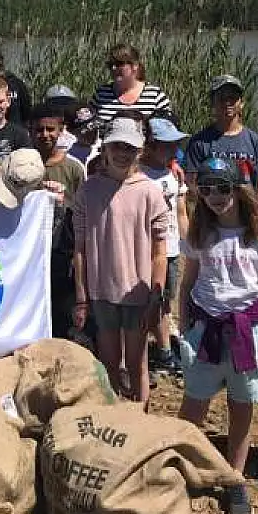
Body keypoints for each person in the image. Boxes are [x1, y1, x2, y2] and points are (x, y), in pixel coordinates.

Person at [177, 156, 258, 514]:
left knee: (241, 409)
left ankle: (234, 478)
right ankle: (183, 468)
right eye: (205, 189)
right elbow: (187, 283)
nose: (214, 196)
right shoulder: (199, 233)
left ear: (236, 189)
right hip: (206, 329)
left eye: (222, 187)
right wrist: (183, 326)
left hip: (247, 332)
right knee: (194, 405)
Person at [73, 118, 168, 408]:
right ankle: (114, 413)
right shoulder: (88, 191)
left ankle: (141, 414)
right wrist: (81, 297)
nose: (122, 153)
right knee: (109, 361)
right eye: (117, 146)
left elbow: (159, 251)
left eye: (129, 147)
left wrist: (157, 293)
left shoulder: (150, 191)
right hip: (102, 292)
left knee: (138, 361)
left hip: (139, 294)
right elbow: (80, 249)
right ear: (105, 148)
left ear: (139, 151)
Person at [31, 102, 86, 339]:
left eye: (51, 129)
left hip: (62, 249)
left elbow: (84, 211)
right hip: (31, 250)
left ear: (61, 130)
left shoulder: (74, 169)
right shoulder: (23, 165)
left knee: (61, 303)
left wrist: (63, 201)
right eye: (39, 129)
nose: (45, 135)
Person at [141, 115, 190, 378]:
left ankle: (164, 348)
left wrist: (191, 245)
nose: (174, 150)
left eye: (175, 145)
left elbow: (181, 212)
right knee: (153, 300)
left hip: (170, 248)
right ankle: (162, 352)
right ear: (149, 145)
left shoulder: (173, 173)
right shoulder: (137, 174)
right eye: (166, 145)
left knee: (165, 300)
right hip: (147, 249)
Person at [185, 75, 258, 196]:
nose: (227, 103)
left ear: (241, 103)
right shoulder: (198, 143)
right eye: (221, 98)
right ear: (212, 103)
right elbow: (192, 186)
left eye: (232, 98)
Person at [92, 44, 172, 122]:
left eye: (119, 64)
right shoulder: (101, 94)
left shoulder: (155, 96)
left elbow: (167, 129)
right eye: (110, 65)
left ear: (135, 65)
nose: (113, 68)